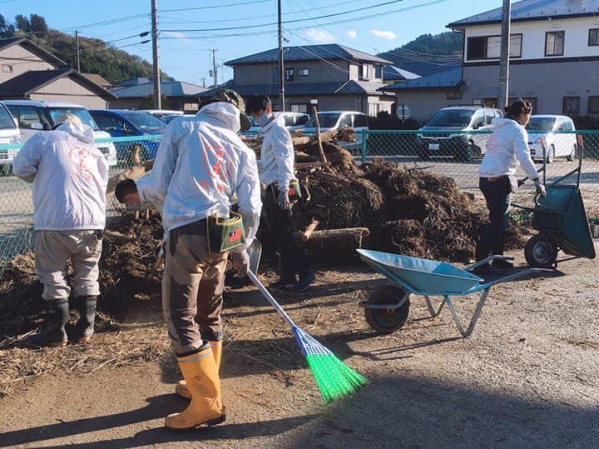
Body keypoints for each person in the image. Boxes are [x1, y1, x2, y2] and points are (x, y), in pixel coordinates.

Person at [116, 89, 262, 430]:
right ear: (235, 116)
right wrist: (243, 248)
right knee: (209, 310)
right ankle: (202, 383)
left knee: (180, 315)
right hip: (223, 235)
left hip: (187, 233)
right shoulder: (241, 148)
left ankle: (208, 402)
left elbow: (160, 182)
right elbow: (252, 208)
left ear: (206, 108)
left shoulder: (184, 128)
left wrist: (131, 190)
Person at [13, 114, 108, 347]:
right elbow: (102, 183)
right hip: (92, 222)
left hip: (55, 220)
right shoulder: (92, 148)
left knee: (53, 275)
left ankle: (57, 333)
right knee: (87, 273)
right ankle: (86, 329)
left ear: (56, 126)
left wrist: (40, 175)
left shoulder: (45, 139)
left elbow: (20, 168)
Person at [245, 94, 315, 292]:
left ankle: (306, 272)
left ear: (267, 110)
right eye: (253, 115)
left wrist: (284, 190)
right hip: (272, 186)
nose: (256, 118)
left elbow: (284, 162)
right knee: (279, 234)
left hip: (279, 187)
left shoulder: (277, 130)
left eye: (257, 114)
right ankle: (287, 276)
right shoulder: (270, 130)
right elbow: (271, 162)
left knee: (286, 234)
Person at [475, 98, 546, 273]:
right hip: (499, 180)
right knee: (497, 223)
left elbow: (503, 156)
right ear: (523, 114)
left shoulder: (499, 129)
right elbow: (523, 156)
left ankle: (497, 260)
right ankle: (481, 263)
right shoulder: (517, 130)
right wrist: (537, 180)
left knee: (500, 220)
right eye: (529, 115)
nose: (529, 119)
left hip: (487, 178)